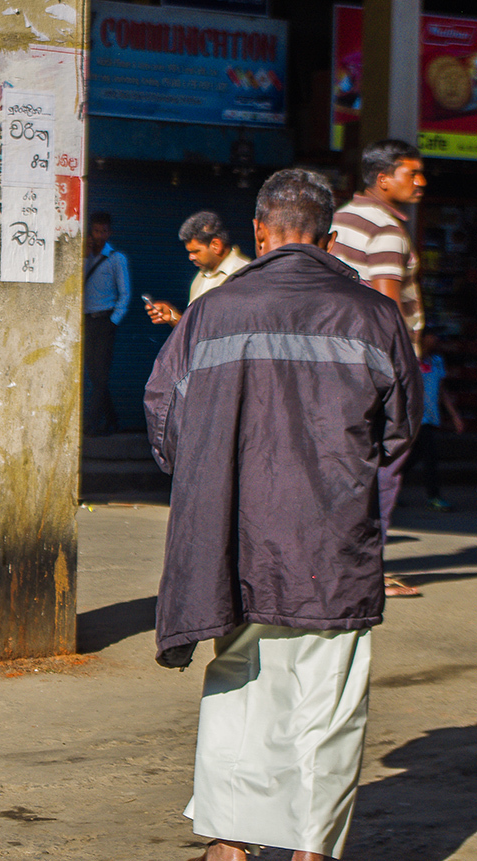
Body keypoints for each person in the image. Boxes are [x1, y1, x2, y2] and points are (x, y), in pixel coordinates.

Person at [144, 168, 422, 861]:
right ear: (330, 239)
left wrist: (213, 471)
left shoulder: (213, 311)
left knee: (240, 687)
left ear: (261, 234)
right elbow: (398, 431)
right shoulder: (374, 314)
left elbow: (162, 413)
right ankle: (310, 849)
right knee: (326, 702)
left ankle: (231, 844)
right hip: (332, 540)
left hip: (232, 536)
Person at [331, 139, 428, 597]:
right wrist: (403, 368)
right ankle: (369, 572)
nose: (421, 182)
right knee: (384, 465)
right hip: (384, 362)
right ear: (384, 178)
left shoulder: (342, 220)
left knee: (350, 464)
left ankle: (337, 562)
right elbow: (388, 303)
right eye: (413, 173)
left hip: (342, 359)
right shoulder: (388, 228)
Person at [146, 211, 250, 326]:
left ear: (216, 245)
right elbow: (197, 332)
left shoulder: (246, 274)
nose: (191, 257)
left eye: (196, 251)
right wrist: (172, 317)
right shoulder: (200, 277)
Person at [402, 327, 464, 513]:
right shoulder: (410, 359)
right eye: (432, 336)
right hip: (414, 417)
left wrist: (455, 416)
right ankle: (433, 497)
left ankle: (388, 485)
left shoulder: (437, 362)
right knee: (430, 457)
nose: (435, 339)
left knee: (413, 457)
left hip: (430, 416)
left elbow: (442, 391)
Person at [83, 211, 131, 436]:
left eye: (104, 231)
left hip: (105, 322)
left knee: (100, 377)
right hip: (86, 322)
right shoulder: (84, 256)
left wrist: (113, 322)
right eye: (96, 230)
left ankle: (89, 424)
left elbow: (125, 293)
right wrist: (84, 256)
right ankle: (112, 419)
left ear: (109, 232)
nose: (100, 235)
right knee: (95, 376)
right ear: (90, 231)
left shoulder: (116, 258)